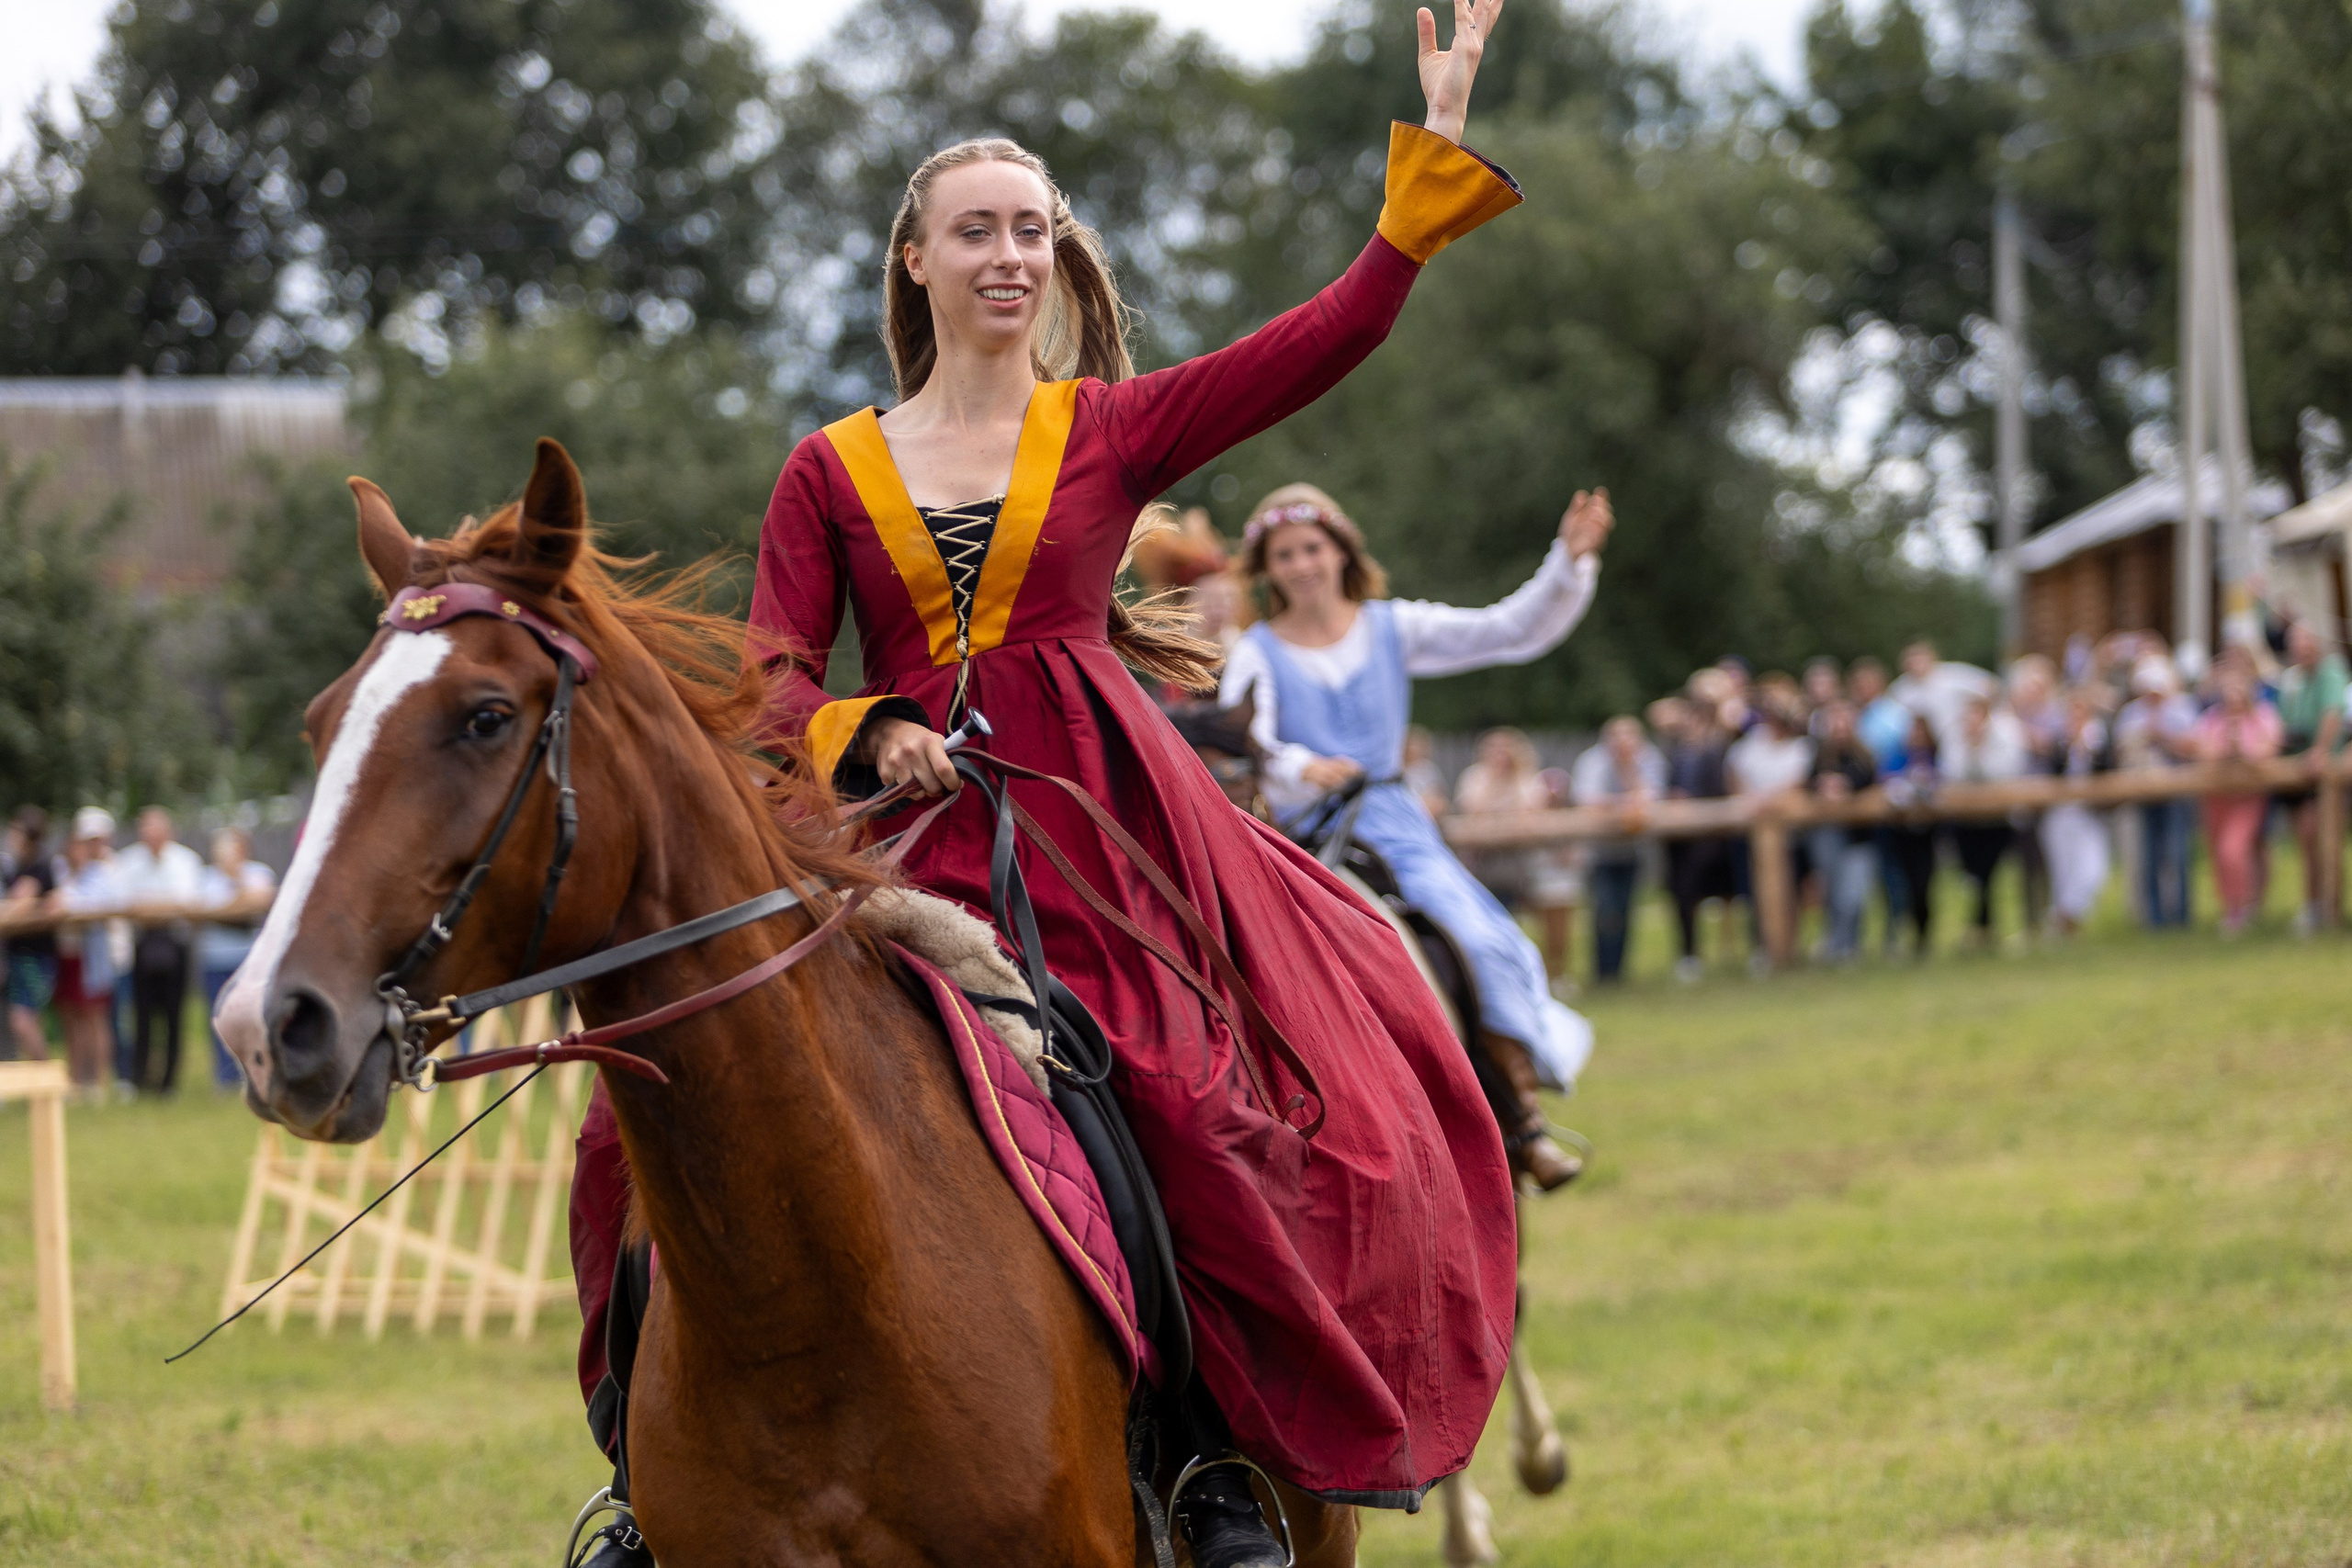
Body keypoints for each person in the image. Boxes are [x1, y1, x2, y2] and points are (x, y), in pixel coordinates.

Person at [577, 16, 1527, 1565]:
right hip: (889, 853)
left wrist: (1419, 178)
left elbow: (1333, 333)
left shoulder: (1112, 427)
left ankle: (1211, 1464)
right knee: (649, 1119)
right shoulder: (829, 466)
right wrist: (867, 729)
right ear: (915, 264)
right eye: (977, 232)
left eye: (1034, 229)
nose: (1011, 255)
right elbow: (767, 679)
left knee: (1178, 1099)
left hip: (1100, 844)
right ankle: (649, 1479)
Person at [1223, 482, 1611, 1188]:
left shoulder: (1394, 626)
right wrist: (1301, 764)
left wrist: (1569, 560)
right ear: (1267, 569)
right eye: (1285, 554)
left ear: (1341, 551)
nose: (1302, 563)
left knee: (1485, 941)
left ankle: (1522, 1121)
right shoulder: (1255, 651)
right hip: (1301, 832)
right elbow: (1244, 737)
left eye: (1313, 547)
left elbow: (1509, 628)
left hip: (1392, 826)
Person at [1452, 726, 1584, 982]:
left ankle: (1543, 971)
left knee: (1540, 914)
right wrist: (1495, 780)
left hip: (1522, 862)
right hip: (1484, 862)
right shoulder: (1475, 777)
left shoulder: (1527, 778)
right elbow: (1472, 809)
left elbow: (1532, 813)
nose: (1500, 755)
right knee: (1489, 916)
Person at [111, 807, 201, 1095]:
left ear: (168, 832)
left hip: (175, 943)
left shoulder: (186, 861)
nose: (151, 837)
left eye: (156, 831)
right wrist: (158, 909)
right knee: (142, 1015)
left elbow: (189, 903)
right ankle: (140, 1079)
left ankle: (169, 1083)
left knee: (174, 1016)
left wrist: (152, 908)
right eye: (146, 831)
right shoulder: (128, 862)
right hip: (143, 944)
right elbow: (123, 903)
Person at [1570, 715, 1664, 982]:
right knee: (1604, 910)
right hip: (1599, 852)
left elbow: (1651, 797)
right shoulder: (1593, 761)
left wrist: (1629, 772)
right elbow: (1588, 801)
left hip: (1631, 849)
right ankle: (1603, 971)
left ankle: (1618, 972)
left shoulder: (1647, 758)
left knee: (1625, 909)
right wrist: (1628, 804)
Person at [2195, 659, 2284, 933]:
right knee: (2217, 852)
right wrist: (2224, 750)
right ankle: (2229, 908)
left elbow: (2268, 751)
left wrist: (2241, 749)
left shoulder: (2263, 716)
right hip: (2217, 796)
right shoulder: (2212, 719)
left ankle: (2244, 907)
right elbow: (2201, 751)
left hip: (2248, 796)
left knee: (2233, 850)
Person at [2271, 621, 2346, 934]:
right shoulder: (2293, 680)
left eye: (2305, 639)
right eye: (2295, 640)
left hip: (2329, 771)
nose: (2300, 646)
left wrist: (2320, 750)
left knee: (2319, 835)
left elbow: (2333, 712)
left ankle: (2327, 907)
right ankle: (2315, 905)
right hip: (2298, 770)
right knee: (2306, 839)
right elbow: (2284, 721)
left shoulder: (2330, 672)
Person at [2112, 656, 2199, 928]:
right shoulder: (2130, 714)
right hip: (2144, 794)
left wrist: (2163, 736)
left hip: (2177, 793)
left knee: (2177, 853)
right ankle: (2154, 919)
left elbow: (2194, 746)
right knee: (2148, 856)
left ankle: (2181, 915)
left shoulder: (2182, 709)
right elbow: (2120, 752)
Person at [1663, 686, 1738, 980]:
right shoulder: (1675, 751)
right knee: (1682, 895)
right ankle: (1689, 953)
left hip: (1711, 836)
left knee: (1725, 894)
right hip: (1679, 839)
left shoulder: (1717, 750)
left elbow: (1722, 789)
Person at [1941, 694, 2028, 943]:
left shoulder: (2004, 735)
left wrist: (1978, 749)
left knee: (1990, 873)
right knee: (1971, 874)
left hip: (1997, 818)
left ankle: (1986, 927)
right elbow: (1952, 772)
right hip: (1965, 818)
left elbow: (2004, 772)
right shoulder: (1954, 737)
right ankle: (1979, 927)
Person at [195, 828, 276, 1091]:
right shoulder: (205, 877)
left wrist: (231, 895)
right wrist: (235, 907)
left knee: (254, 1018)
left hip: (251, 959)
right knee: (220, 1019)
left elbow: (259, 902)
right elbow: (199, 909)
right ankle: (224, 1077)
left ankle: (257, 1072)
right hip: (215, 958)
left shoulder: (259, 873)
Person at [1802, 699, 1878, 962]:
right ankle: (1836, 944)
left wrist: (1844, 786)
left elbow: (1868, 780)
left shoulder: (1866, 756)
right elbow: (1809, 783)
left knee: (1853, 894)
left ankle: (1850, 944)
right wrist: (1825, 786)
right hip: (1827, 834)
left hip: (1860, 837)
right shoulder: (1818, 756)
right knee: (1833, 891)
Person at [53, 810, 122, 1097]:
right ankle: (75, 1079)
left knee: (95, 1017)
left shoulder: (103, 873)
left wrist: (67, 904)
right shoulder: (61, 872)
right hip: (67, 956)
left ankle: (98, 1082)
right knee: (71, 1017)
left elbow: (95, 906)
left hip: (92, 957)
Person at [2039, 687, 2112, 934]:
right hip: (2060, 815)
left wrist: (2087, 749)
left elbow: (2107, 770)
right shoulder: (2058, 741)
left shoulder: (2100, 739)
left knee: (2094, 870)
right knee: (2063, 872)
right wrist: (2068, 747)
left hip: (2090, 814)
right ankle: (2066, 927)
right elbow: (2052, 774)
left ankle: (2067, 914)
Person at [1880, 712, 1942, 953]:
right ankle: (1897, 935)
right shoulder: (1897, 756)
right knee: (1897, 885)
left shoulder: (1937, 756)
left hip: (1928, 831)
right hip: (1899, 830)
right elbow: (1885, 779)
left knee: (1923, 883)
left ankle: (1923, 936)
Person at [3, 809, 62, 1063]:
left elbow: (20, 903)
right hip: (18, 954)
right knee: (26, 1020)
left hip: (36, 957)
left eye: (15, 830)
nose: (10, 835)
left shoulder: (40, 867)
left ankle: (47, 1077)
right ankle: (41, 1086)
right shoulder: (17, 866)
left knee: (23, 1021)